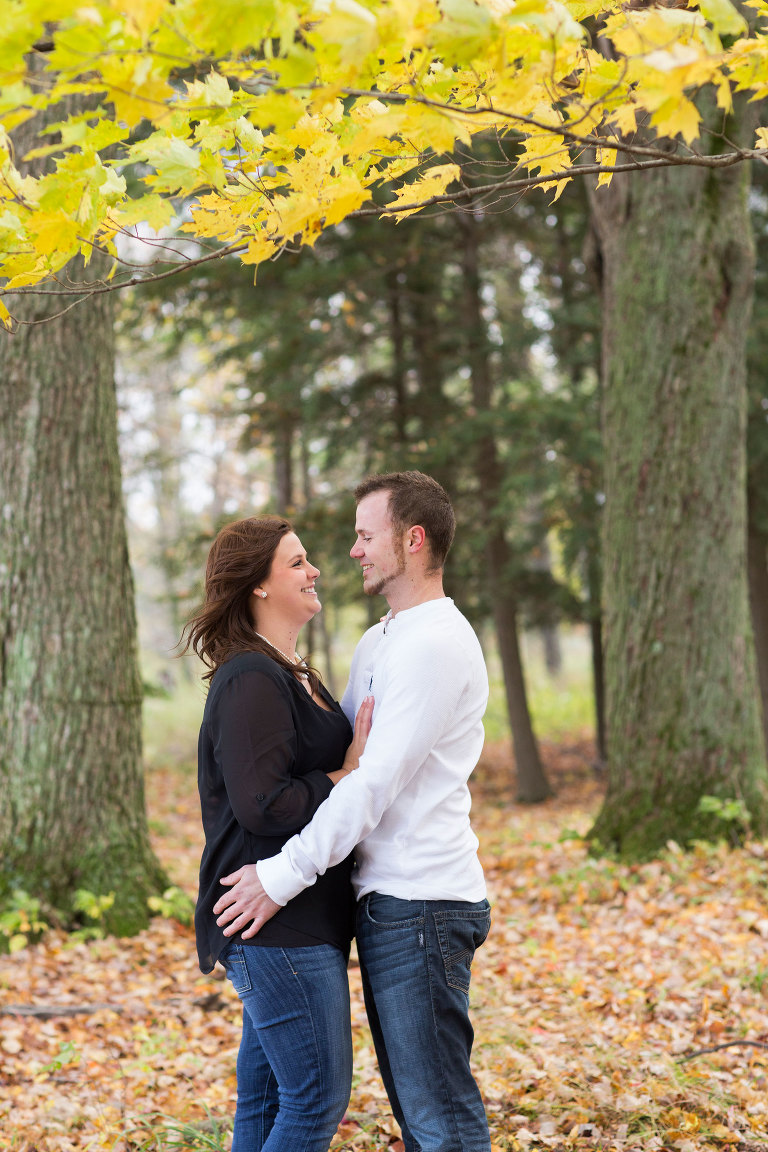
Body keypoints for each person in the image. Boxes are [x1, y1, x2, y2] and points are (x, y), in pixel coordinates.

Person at [214, 472, 492, 1152]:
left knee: (438, 1117)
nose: (353, 552)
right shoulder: (379, 642)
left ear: (413, 539)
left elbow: (369, 785)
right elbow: (334, 763)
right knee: (405, 1110)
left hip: (423, 901)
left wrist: (280, 877)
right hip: (382, 901)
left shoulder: (434, 644)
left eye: (367, 536)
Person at [182, 515, 373, 1152]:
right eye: (296, 562)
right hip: (271, 921)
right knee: (316, 1100)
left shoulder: (293, 673)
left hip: (295, 916)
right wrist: (343, 776)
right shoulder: (249, 678)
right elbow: (263, 803)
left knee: (267, 1106)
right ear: (258, 586)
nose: (314, 569)